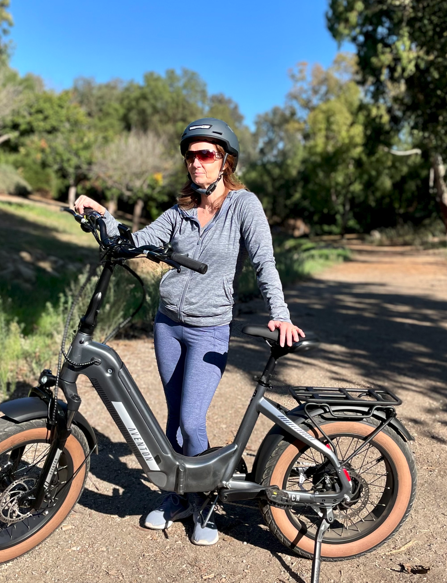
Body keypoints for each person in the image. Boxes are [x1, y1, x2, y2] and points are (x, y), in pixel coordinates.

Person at [74, 117, 304, 545]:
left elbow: (264, 262)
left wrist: (281, 313)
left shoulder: (243, 206)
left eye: (206, 155)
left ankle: (206, 504)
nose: (195, 163)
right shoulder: (179, 211)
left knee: (191, 420)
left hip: (209, 329)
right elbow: (134, 242)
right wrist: (100, 215)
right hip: (168, 324)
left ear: (224, 161)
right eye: (190, 155)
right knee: (173, 417)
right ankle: (175, 494)